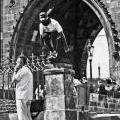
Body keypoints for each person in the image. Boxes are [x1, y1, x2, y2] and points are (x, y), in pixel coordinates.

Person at [12, 55, 33, 120]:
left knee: (22, 117)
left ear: (21, 63)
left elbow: (13, 80)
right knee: (27, 116)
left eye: (17, 62)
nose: (16, 63)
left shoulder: (22, 70)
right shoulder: (28, 70)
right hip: (28, 96)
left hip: (21, 96)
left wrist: (15, 70)